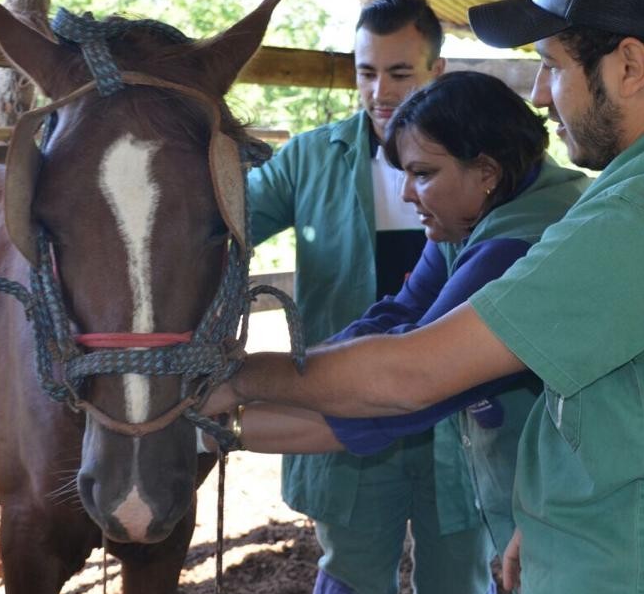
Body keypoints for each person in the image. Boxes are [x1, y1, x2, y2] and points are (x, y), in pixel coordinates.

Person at [209, 0, 644, 594]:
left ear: (630, 66)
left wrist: (241, 379)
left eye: (552, 65)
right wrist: (550, 518)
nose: (541, 93)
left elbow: (411, 377)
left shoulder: (639, 216)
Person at [209, 70, 588, 566]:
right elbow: (398, 314)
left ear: (487, 172)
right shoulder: (485, 214)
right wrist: (303, 372)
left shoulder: (517, 247)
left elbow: (407, 388)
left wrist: (230, 402)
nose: (407, 194)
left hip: (590, 514)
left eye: (424, 174)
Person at [246, 0, 497, 594]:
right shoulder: (307, 159)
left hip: (462, 434)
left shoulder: (487, 168)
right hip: (347, 427)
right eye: (366, 72)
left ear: (437, 72)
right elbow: (220, 222)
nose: (380, 91)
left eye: (400, 72)